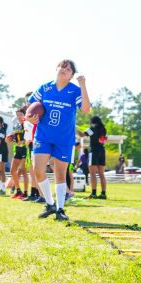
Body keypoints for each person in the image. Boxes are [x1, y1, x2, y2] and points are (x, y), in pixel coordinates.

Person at [28, 60, 92, 221]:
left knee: (60, 174)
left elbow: (85, 109)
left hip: (64, 138)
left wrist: (83, 85)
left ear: (71, 75)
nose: (65, 69)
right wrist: (31, 119)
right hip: (43, 135)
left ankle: (61, 209)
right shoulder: (45, 87)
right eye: (62, 66)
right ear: (56, 69)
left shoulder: (74, 90)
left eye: (69, 69)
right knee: (37, 170)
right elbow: (30, 107)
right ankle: (50, 204)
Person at [8, 108, 32, 199]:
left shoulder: (27, 124)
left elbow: (29, 137)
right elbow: (15, 136)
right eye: (17, 115)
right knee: (12, 170)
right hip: (18, 149)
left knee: (23, 170)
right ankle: (18, 191)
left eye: (20, 115)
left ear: (25, 115)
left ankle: (25, 193)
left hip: (25, 149)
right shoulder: (17, 124)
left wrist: (22, 142)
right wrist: (10, 138)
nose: (18, 117)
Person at [84, 116, 108, 199]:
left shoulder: (92, 128)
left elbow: (82, 134)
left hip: (93, 151)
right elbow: (104, 140)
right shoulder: (104, 129)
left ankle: (93, 193)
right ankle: (103, 194)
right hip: (102, 151)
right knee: (102, 174)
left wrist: (75, 128)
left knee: (92, 174)